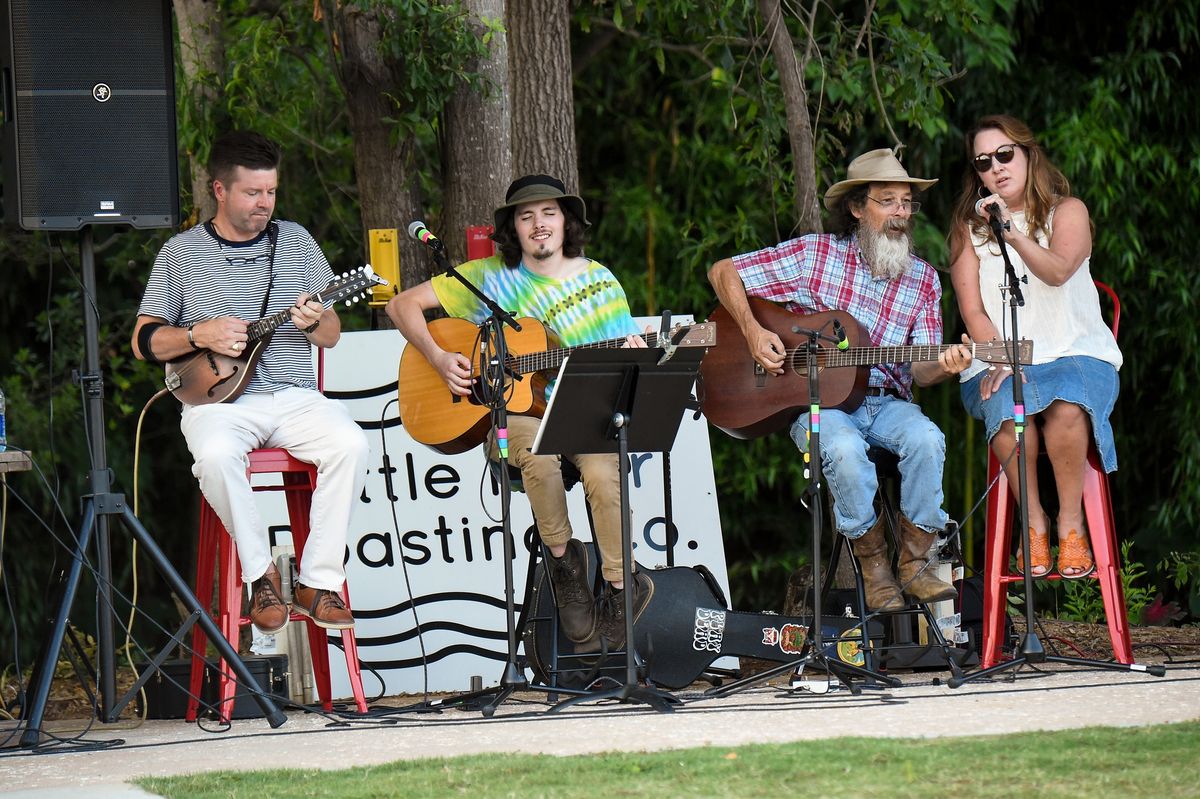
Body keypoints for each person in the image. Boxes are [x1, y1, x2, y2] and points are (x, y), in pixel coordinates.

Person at [386, 174, 651, 647]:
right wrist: (439, 356)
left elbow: (625, 362)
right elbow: (402, 305)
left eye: (549, 213)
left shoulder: (599, 279)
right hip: (519, 415)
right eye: (526, 216)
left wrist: (633, 351)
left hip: (585, 410)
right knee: (535, 453)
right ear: (514, 228)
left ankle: (619, 584)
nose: (539, 224)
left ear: (567, 221)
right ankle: (563, 562)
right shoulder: (487, 277)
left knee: (604, 470)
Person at [708, 149, 973, 611]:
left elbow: (921, 371)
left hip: (889, 403)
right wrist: (753, 333)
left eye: (907, 203)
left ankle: (914, 562)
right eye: (887, 201)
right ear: (856, 208)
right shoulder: (815, 256)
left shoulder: (925, 280)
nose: (900, 214)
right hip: (818, 406)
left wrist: (947, 363)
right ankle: (874, 568)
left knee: (928, 439)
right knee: (844, 450)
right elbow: (722, 271)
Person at [131, 131, 369, 631]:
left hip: (293, 397)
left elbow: (331, 335)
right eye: (252, 193)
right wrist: (199, 331)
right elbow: (144, 341)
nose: (265, 203)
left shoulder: (296, 242)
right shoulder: (183, 253)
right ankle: (261, 577)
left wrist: (314, 322)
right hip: (216, 404)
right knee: (216, 457)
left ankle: (318, 580)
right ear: (219, 190)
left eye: (272, 192)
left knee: (349, 443)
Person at [949, 114, 1121, 579]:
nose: (996, 168)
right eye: (984, 162)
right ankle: (1034, 522)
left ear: (1028, 154)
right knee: (1006, 410)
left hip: (1075, 353)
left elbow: (1059, 270)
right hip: (1003, 359)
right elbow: (973, 311)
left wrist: (1012, 231)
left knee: (1067, 407)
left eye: (1005, 155)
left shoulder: (1068, 211)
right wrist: (1004, 358)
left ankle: (1070, 524)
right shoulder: (969, 228)